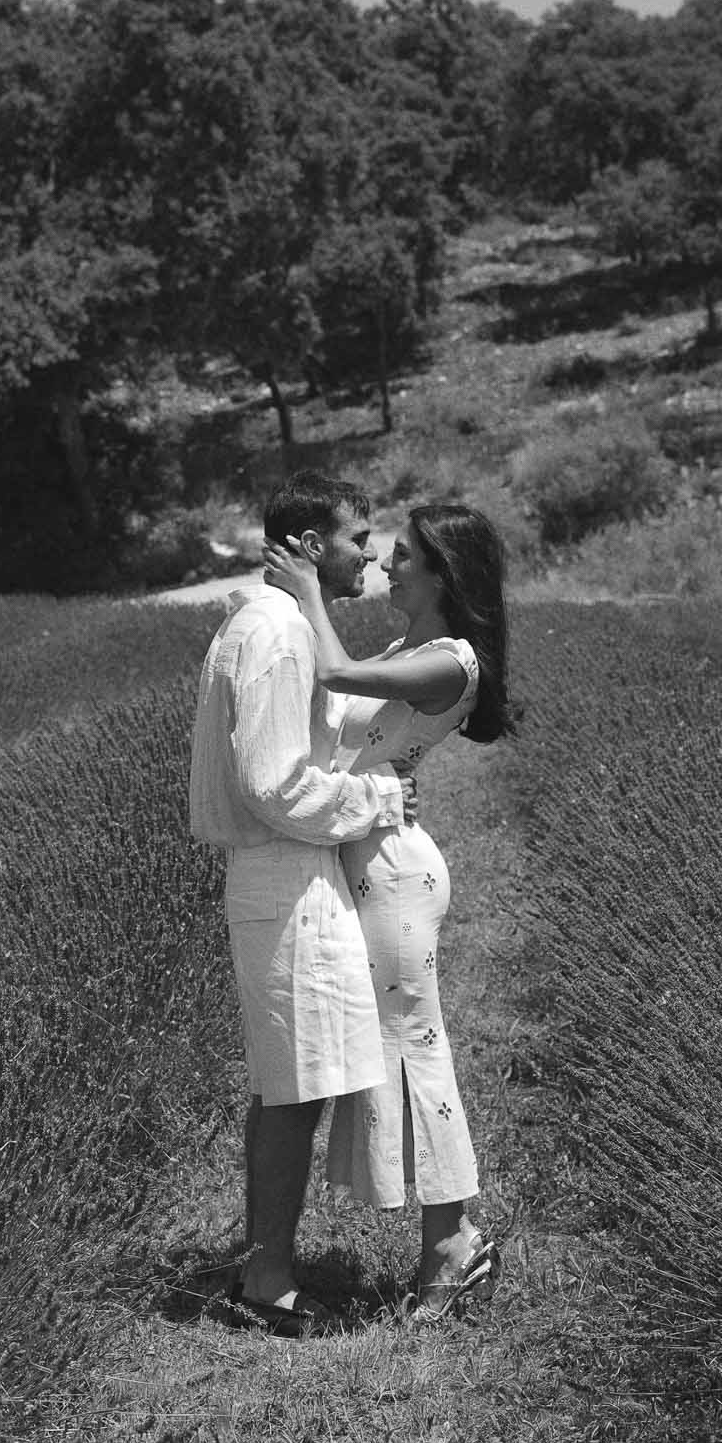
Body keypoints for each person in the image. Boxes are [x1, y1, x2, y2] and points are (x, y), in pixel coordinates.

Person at [262, 502, 515, 1321]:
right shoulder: (409, 649)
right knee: (388, 1047)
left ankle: (454, 1242)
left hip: (394, 871)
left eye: (404, 556)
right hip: (364, 855)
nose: (386, 565)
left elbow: (333, 677)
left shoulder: (451, 660)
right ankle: (448, 1238)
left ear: (443, 573)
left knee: (415, 1046)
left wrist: (304, 588)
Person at [189, 470, 414, 1337]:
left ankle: (268, 1265)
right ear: (314, 546)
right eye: (361, 537)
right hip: (283, 873)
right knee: (290, 1089)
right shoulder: (279, 633)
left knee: (300, 1081)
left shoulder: (275, 623)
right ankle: (266, 1281)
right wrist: (378, 800)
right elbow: (274, 782)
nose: (374, 552)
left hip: (288, 872)